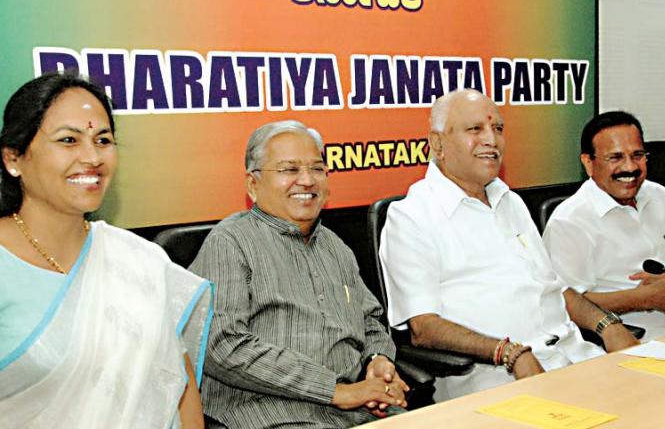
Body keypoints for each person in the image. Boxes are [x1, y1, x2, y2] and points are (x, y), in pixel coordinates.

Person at [379, 89, 638, 402]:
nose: (491, 139)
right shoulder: (411, 216)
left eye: (498, 129)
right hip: (497, 382)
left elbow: (553, 288)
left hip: (574, 359)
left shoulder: (510, 201)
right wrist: (509, 353)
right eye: (475, 129)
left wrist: (608, 325)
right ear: (437, 144)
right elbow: (425, 327)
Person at [0, 72, 212, 428]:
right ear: (14, 158)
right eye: (68, 140)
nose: (92, 157)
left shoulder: (140, 261)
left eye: (103, 140)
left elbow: (179, 382)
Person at [190, 120, 408, 428]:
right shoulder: (230, 243)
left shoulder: (335, 246)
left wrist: (378, 362)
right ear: (253, 185)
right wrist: (335, 391)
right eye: (289, 170)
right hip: (270, 414)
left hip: (355, 409)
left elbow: (370, 320)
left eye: (317, 168)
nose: (307, 180)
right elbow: (222, 346)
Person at [543, 111, 665, 341]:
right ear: (588, 163)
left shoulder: (660, 196)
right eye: (615, 158)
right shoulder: (570, 221)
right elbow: (565, 302)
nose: (630, 167)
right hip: (627, 342)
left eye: (637, 155)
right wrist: (642, 298)